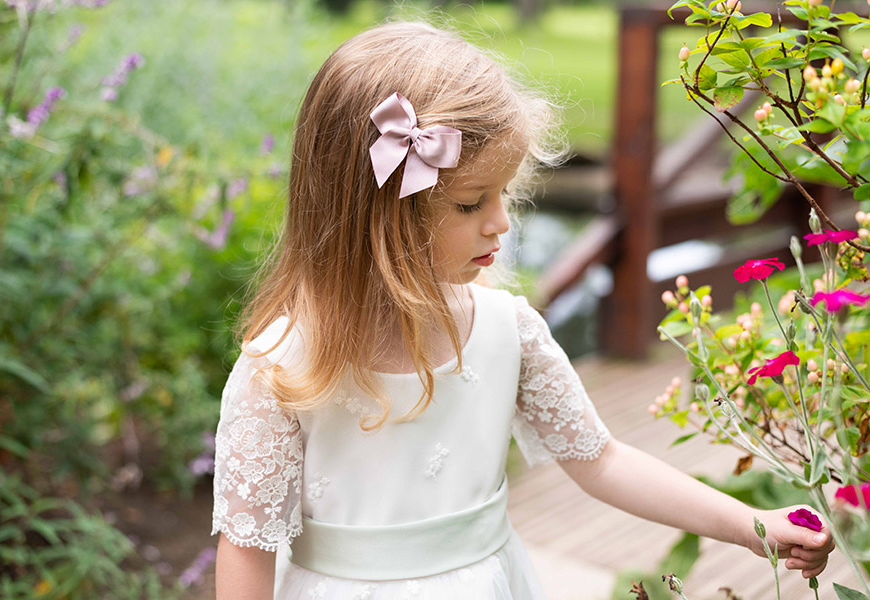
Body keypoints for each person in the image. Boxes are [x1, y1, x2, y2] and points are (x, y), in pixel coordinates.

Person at [211, 21, 835, 599]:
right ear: (380, 217)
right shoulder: (282, 369)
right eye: (469, 204)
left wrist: (752, 524)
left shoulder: (508, 332)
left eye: (503, 193)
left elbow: (602, 460)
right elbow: (246, 548)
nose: (501, 223)